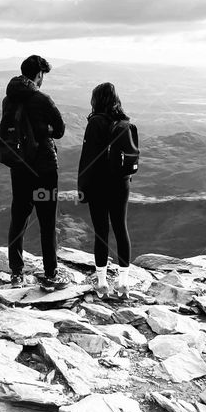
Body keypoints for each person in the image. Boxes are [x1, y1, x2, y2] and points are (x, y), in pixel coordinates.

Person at [0, 55, 70, 290]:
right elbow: (59, 130)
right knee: (47, 220)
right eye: (43, 76)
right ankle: (51, 273)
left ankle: (16, 273)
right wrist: (44, 129)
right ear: (39, 74)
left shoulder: (8, 99)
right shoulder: (42, 99)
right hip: (44, 169)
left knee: (18, 217)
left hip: (19, 166)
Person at [77, 82, 133, 297]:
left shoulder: (96, 123)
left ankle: (101, 283)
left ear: (96, 100)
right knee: (121, 228)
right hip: (121, 184)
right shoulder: (124, 122)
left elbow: (87, 159)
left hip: (99, 185)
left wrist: (82, 188)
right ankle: (124, 283)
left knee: (101, 232)